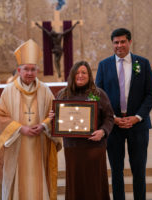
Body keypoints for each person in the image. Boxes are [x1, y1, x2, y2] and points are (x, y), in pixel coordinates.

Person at [0, 39, 61, 200]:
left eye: (33, 69)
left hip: (40, 145)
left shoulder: (45, 91)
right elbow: (1, 117)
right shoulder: (8, 91)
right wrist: (20, 128)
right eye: (26, 69)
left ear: (37, 70)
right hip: (17, 146)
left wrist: (44, 125)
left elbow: (53, 115)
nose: (30, 73)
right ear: (19, 70)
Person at [95, 28, 152, 200]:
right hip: (113, 127)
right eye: (116, 42)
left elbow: (151, 94)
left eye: (122, 42)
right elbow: (96, 95)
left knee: (139, 170)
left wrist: (137, 117)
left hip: (138, 126)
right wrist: (112, 118)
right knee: (116, 171)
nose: (119, 45)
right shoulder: (103, 65)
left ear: (130, 42)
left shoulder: (142, 63)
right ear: (112, 44)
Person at [55, 61, 114, 200]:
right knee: (76, 183)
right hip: (73, 148)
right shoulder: (63, 94)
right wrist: (54, 116)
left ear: (89, 75)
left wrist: (103, 131)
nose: (80, 75)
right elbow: (58, 119)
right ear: (72, 75)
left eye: (84, 72)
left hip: (94, 147)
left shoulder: (98, 93)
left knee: (94, 184)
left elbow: (109, 117)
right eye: (77, 72)